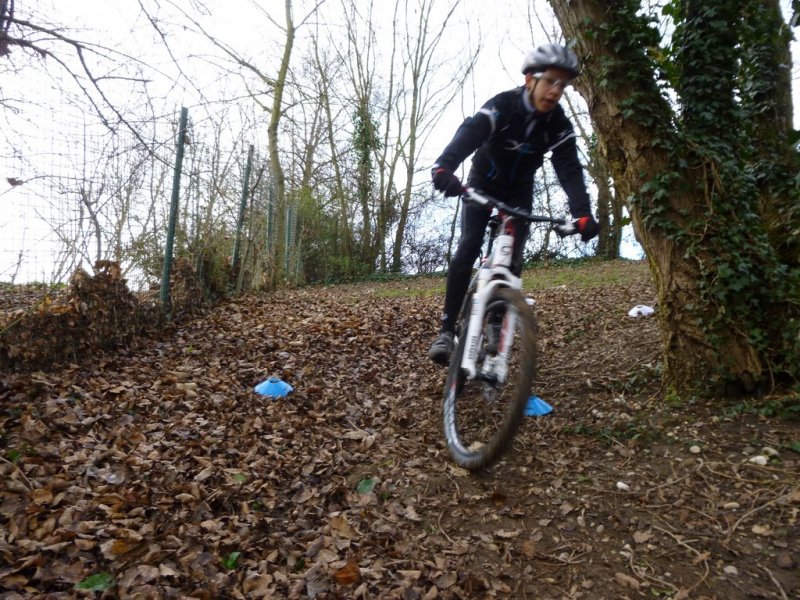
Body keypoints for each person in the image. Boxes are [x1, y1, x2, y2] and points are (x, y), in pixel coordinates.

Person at [427, 43, 600, 365]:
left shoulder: (558, 124)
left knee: (514, 259)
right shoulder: (502, 107)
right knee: (469, 246)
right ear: (529, 80)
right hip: (483, 182)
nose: (556, 91)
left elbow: (569, 167)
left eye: (563, 85)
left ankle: (495, 323)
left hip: (519, 191)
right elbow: (471, 133)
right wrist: (444, 166)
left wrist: (582, 213)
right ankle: (447, 330)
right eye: (551, 81)